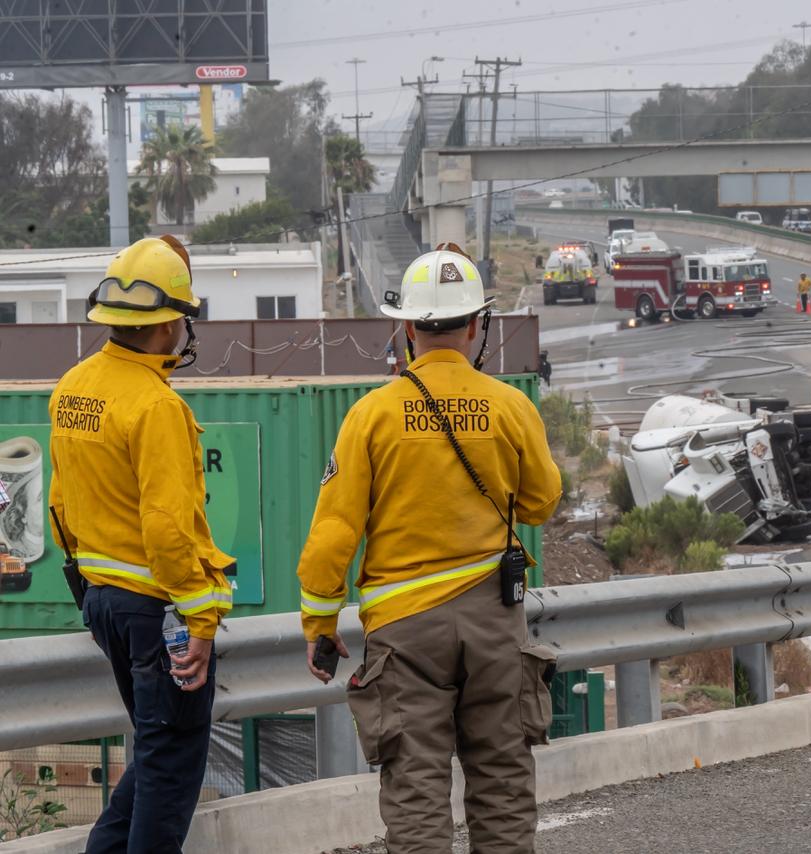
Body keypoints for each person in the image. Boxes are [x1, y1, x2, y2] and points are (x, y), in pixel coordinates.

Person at [297, 244, 563, 852]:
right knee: (502, 779)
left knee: (416, 790)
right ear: (475, 327)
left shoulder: (370, 415)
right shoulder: (510, 406)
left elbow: (333, 533)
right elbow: (540, 503)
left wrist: (319, 621)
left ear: (408, 329)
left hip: (403, 628)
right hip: (494, 621)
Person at [48, 236, 234, 853]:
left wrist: (90, 592)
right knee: (172, 761)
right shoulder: (156, 405)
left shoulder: (73, 387)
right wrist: (199, 619)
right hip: (157, 610)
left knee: (158, 754)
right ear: (171, 323)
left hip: (104, 601)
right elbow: (167, 526)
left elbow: (60, 504)